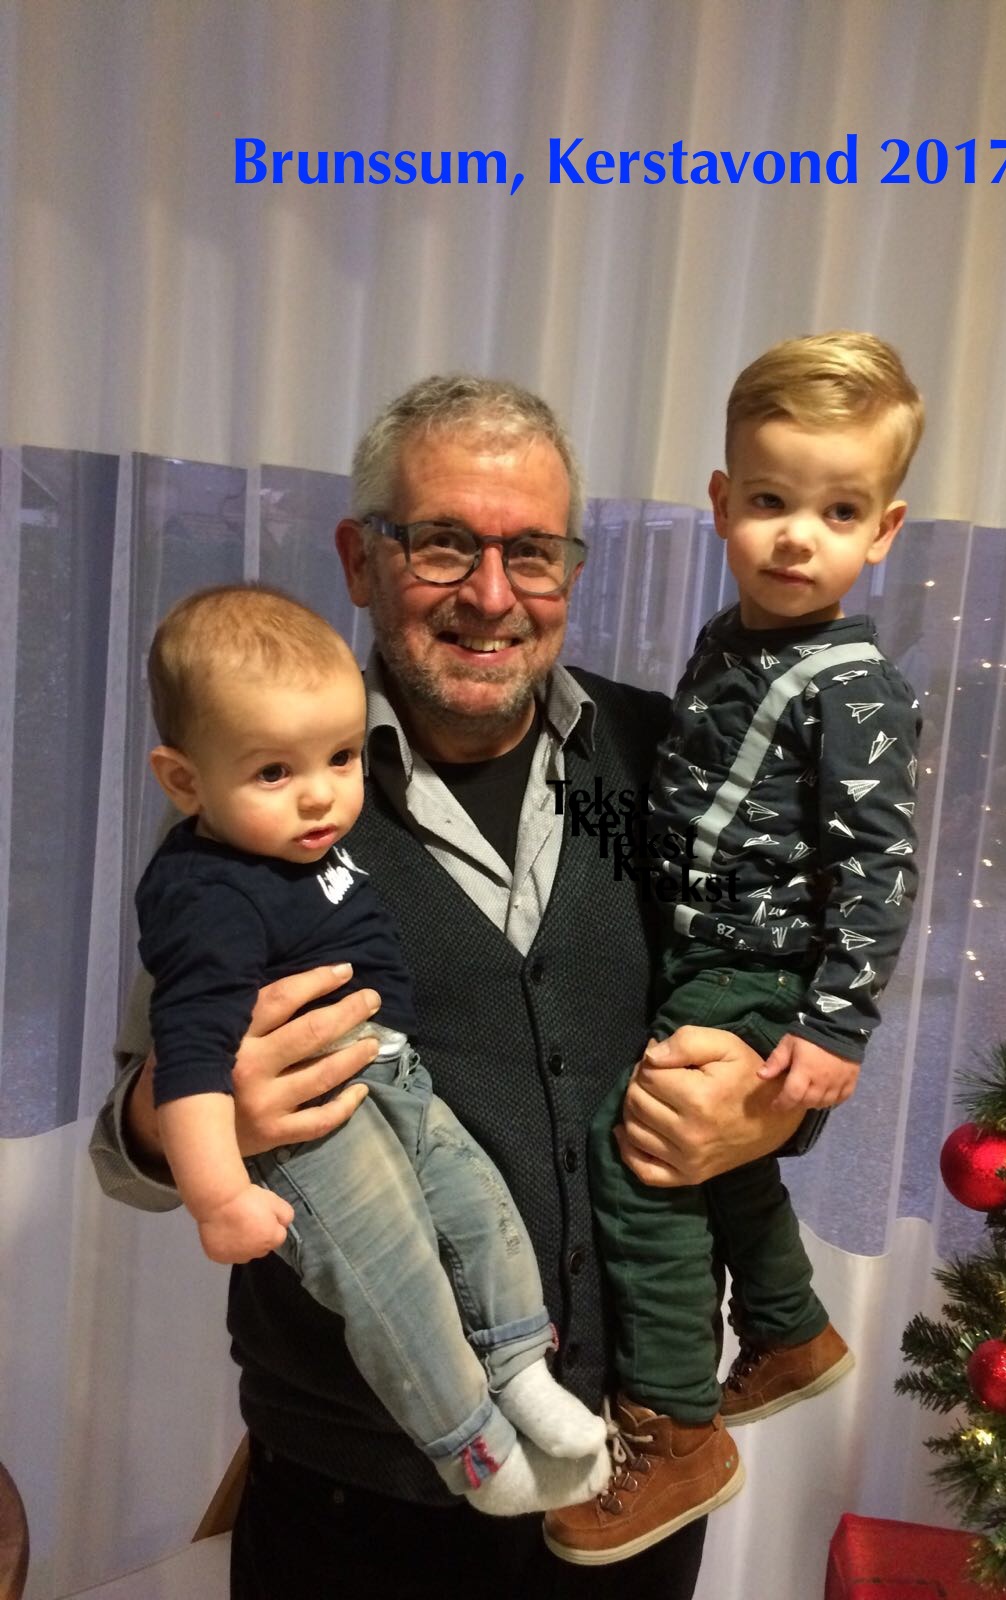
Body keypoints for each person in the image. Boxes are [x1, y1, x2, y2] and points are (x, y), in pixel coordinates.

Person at [91, 375, 805, 1600]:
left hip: (632, 1472)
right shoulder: (251, 806)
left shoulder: (666, 758)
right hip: (353, 1495)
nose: (490, 593)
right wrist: (193, 1116)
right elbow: (127, 1147)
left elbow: (772, 999)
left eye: (532, 551)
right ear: (359, 559)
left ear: (569, 568)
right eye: (442, 544)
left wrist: (773, 1109)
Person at [546, 333, 924, 1565]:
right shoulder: (731, 639)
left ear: (884, 530)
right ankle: (786, 1325)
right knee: (713, 1151)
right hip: (702, 951)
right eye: (769, 501)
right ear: (721, 503)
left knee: (644, 1153)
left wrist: (834, 1022)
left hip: (758, 967)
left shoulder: (853, 683)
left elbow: (878, 865)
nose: (797, 536)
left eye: (838, 511)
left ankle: (675, 1425)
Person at [136, 583, 608, 1516]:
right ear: (186, 783)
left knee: (478, 1206)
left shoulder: (307, 841)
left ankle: (520, 1368)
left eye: (343, 759)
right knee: (395, 1274)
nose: (321, 794)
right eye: (275, 772)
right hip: (316, 1127)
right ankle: (474, 1449)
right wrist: (219, 1192)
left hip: (393, 1072)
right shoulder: (207, 892)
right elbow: (186, 1055)